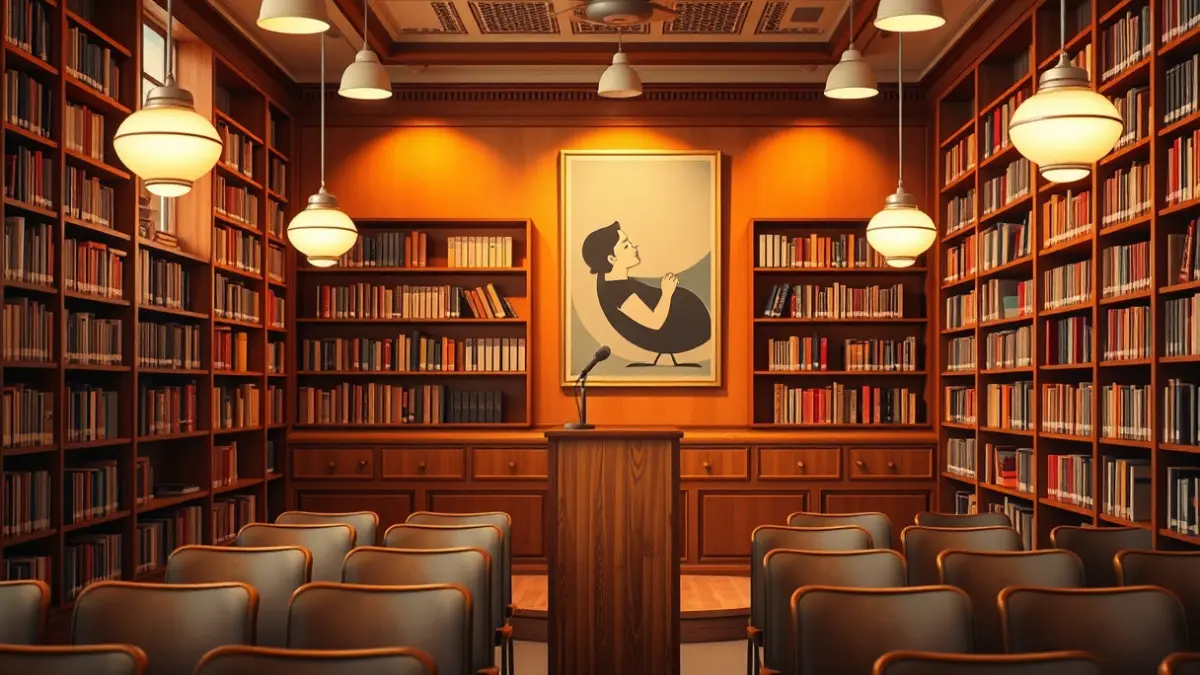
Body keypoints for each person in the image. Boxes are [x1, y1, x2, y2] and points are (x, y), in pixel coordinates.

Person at [580, 221, 711, 367]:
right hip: (676, 334)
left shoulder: (621, 282)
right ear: (612, 259)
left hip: (687, 331)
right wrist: (667, 293)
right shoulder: (616, 291)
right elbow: (655, 323)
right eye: (625, 245)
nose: (633, 246)